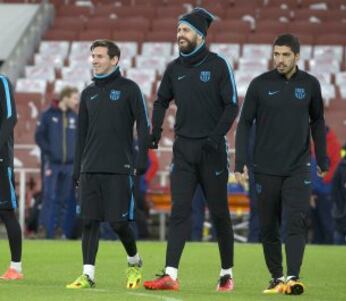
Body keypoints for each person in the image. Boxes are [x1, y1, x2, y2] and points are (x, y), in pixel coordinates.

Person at [143, 7, 239, 291]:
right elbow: (161, 101)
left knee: (219, 213)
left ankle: (226, 273)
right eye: (177, 30)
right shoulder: (174, 69)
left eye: (184, 30)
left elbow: (232, 104)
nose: (179, 35)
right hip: (183, 149)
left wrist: (215, 136)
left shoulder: (219, 65)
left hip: (212, 151)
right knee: (180, 211)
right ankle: (170, 274)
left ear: (199, 34)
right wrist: (155, 132)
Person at [235, 34, 328, 295]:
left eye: (286, 55)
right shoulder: (259, 84)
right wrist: (239, 162)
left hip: (298, 167)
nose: (280, 60)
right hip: (264, 168)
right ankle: (277, 277)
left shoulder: (310, 84)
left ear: (297, 56)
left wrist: (322, 158)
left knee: (296, 221)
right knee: (268, 226)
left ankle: (293, 276)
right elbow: (244, 124)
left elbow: (318, 122)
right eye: (277, 54)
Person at [66, 40, 150, 289]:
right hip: (90, 167)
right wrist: (77, 167)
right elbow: (81, 134)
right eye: (93, 56)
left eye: (100, 56)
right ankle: (88, 274)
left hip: (119, 167)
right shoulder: (88, 92)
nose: (94, 60)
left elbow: (143, 125)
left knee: (118, 223)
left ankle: (134, 262)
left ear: (114, 60)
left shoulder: (130, 89)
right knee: (89, 221)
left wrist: (141, 159)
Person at [35, 86, 79, 239]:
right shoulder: (48, 115)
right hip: (52, 164)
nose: (76, 101)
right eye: (74, 98)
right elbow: (39, 137)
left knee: (64, 198)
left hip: (69, 165)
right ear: (65, 97)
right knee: (48, 196)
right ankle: (42, 229)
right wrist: (50, 153)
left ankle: (59, 230)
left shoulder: (75, 117)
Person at [0, 74, 23, 280]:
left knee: (6, 211)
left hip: (0, 160)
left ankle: (15, 267)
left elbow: (10, 116)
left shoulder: (2, 81)